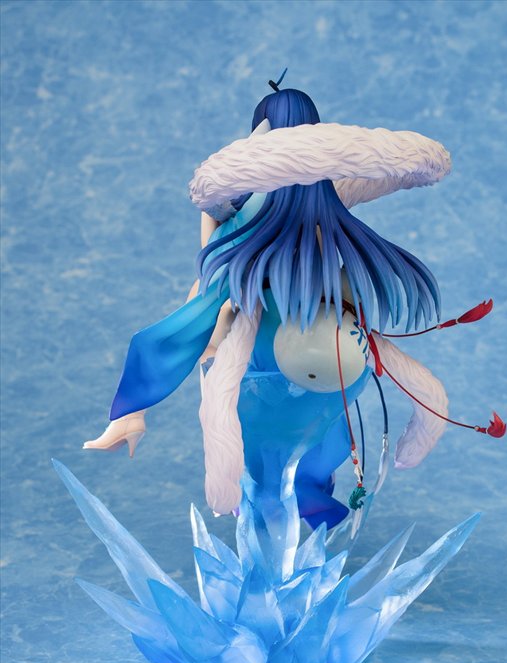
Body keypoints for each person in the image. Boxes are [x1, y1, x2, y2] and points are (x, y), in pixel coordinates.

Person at [84, 79, 458, 530]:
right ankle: (293, 508)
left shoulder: (248, 219)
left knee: (260, 455)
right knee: (309, 451)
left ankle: (252, 503)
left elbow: (205, 289)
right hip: (330, 363)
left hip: (273, 363)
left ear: (261, 133)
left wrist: (135, 408)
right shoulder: (322, 208)